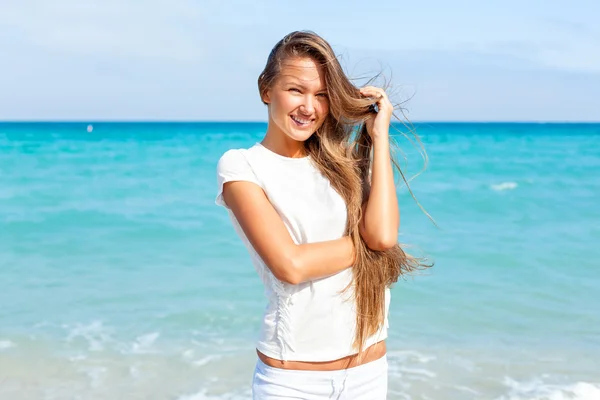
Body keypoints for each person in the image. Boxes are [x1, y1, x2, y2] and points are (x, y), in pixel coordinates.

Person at [215, 30, 427, 400]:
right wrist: (370, 242)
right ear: (267, 90)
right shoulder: (242, 166)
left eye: (323, 95)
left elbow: (384, 237)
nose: (309, 107)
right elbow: (291, 265)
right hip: (294, 383)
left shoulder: (345, 164)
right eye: (296, 90)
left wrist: (378, 137)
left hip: (368, 373)